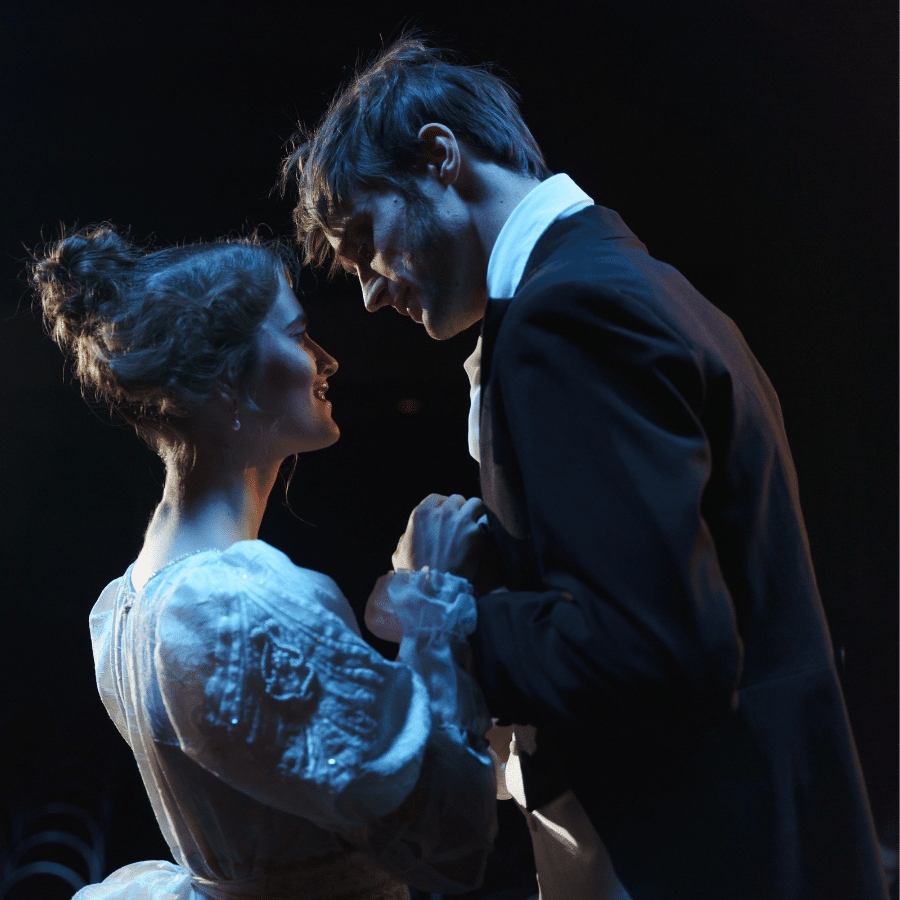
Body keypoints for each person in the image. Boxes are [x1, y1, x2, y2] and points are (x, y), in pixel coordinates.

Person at [280, 35, 889, 900]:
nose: (371, 294)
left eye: (363, 241)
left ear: (439, 157)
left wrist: (444, 609)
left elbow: (654, 649)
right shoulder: (631, 281)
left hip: (701, 857)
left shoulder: (570, 313)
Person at [29, 224, 498, 900]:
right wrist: (434, 590)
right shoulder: (227, 602)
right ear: (227, 379)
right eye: (299, 334)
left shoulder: (130, 601)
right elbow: (448, 829)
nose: (326, 360)